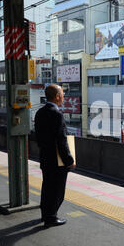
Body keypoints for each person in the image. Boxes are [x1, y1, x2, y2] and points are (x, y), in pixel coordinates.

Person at [35, 84, 75, 227]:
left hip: (45, 158)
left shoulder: (39, 113)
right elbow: (61, 140)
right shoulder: (57, 114)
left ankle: (45, 215)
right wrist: (69, 160)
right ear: (57, 96)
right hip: (56, 161)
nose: (63, 96)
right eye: (62, 93)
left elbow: (38, 137)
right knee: (57, 190)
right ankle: (51, 217)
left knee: (47, 188)